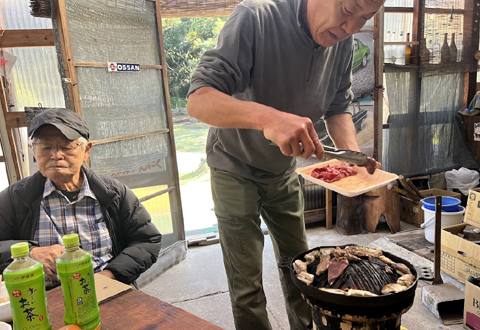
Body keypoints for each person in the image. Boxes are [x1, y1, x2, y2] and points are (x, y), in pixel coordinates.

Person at [187, 0, 385, 328]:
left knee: (301, 269)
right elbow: (198, 98)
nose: (351, 28)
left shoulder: (343, 42)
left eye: (365, 18)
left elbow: (338, 106)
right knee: (247, 284)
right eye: (348, 10)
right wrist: (268, 118)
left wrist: (352, 156)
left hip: (282, 171)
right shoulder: (256, 16)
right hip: (233, 167)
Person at [0, 108, 162, 289]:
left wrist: (109, 276)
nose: (56, 155)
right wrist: (29, 254)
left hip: (108, 288)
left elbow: (147, 241)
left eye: (66, 147)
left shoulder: (113, 193)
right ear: (33, 151)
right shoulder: (15, 198)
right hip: (41, 297)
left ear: (86, 151)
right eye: (45, 147)